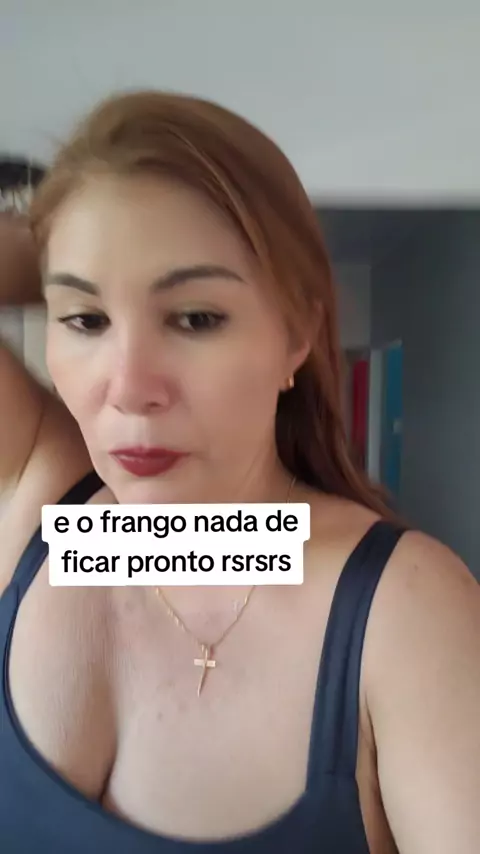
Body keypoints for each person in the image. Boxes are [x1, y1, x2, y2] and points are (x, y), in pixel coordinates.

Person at [0, 91, 478, 854]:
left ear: (297, 334)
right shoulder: (41, 505)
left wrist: (86, 261)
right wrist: (68, 237)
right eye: (85, 319)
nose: (129, 388)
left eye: (196, 317)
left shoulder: (403, 608)